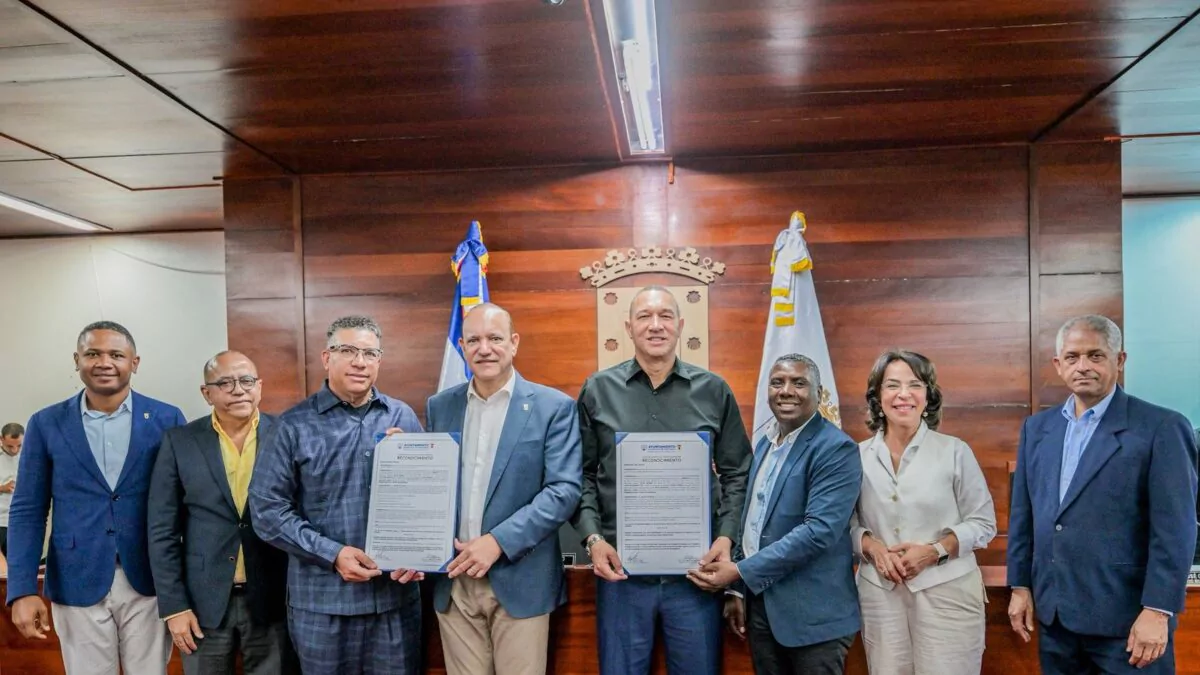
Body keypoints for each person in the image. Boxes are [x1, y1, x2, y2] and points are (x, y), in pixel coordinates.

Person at [572, 285, 752, 675]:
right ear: (628, 327)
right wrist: (593, 538)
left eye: (665, 316)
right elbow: (579, 475)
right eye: (644, 316)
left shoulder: (713, 390)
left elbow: (738, 473)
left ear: (680, 325)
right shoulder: (598, 390)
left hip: (695, 576)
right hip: (621, 575)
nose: (656, 325)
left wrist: (726, 538)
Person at [1008, 314, 1199, 674]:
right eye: (1072, 357)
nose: (1083, 366)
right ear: (1058, 365)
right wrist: (1020, 585)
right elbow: (1024, 515)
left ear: (1119, 360)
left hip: (1129, 621)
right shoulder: (1038, 429)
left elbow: (1176, 529)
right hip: (1056, 619)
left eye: (1095, 355)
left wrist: (1158, 610)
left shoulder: (1161, 427)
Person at [6, 320, 185, 675]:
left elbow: (185, 503)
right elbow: (27, 511)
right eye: (92, 354)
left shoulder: (167, 418)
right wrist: (22, 590)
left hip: (150, 579)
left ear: (134, 362)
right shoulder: (46, 423)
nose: (104, 362)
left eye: (116, 354)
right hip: (76, 578)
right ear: (77, 360)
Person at [249, 315, 424, 675]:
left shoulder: (402, 417)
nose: (360, 362)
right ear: (327, 358)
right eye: (348, 351)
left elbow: (426, 500)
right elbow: (267, 511)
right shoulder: (292, 426)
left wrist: (420, 553)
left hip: (393, 602)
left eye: (370, 353)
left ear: (379, 361)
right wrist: (332, 554)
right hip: (322, 604)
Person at [426, 303, 582, 675]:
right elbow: (433, 483)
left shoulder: (553, 407)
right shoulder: (440, 407)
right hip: (455, 581)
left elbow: (563, 490)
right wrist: (402, 455)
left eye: (495, 338)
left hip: (521, 578)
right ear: (462, 346)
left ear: (513, 343)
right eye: (474, 340)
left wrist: (497, 542)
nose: (485, 349)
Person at [690, 354, 862, 675]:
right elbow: (752, 522)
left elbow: (818, 532)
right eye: (777, 382)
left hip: (814, 619)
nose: (786, 391)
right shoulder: (766, 444)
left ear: (819, 393)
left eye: (799, 383)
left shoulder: (835, 448)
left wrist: (739, 572)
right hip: (763, 610)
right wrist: (737, 589)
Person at [148, 351, 296, 674]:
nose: (238, 390)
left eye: (246, 381)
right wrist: (174, 607)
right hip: (203, 604)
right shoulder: (180, 441)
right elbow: (162, 531)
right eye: (225, 383)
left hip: (273, 599)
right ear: (207, 393)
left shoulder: (288, 434)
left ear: (259, 386)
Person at [851, 350, 996, 674]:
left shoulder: (955, 451)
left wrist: (934, 552)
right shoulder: (856, 456)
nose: (903, 394)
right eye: (892, 385)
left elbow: (983, 524)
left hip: (948, 594)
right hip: (880, 596)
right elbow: (845, 524)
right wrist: (871, 547)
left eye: (914, 385)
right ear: (877, 397)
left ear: (928, 395)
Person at [0, 422, 24, 557]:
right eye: (10, 446)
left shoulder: (27, 458)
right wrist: (2, 487)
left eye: (19, 446)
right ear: (1, 439)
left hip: (19, 521)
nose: (15, 450)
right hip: (0, 520)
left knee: (15, 562)